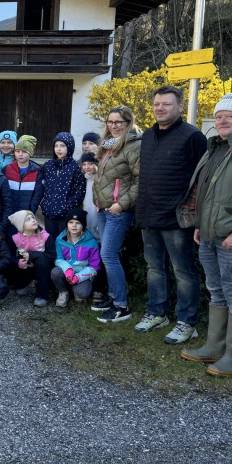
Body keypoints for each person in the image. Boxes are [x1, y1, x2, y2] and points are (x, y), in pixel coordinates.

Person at [135, 86, 207, 344]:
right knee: (154, 267)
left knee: (184, 271)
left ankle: (187, 322)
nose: (160, 108)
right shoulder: (148, 135)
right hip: (149, 216)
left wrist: (194, 214)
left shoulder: (193, 136)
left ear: (179, 106)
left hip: (177, 218)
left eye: (166, 104)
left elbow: (203, 179)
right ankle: (157, 313)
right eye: (156, 104)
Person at [178, 94, 232, 375]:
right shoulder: (214, 148)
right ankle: (214, 347)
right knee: (217, 290)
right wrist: (198, 222)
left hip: (228, 236)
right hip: (209, 233)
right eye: (219, 116)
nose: (223, 120)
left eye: (229, 116)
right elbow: (204, 191)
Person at [91, 105, 141, 323]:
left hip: (118, 211)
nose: (113, 126)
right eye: (110, 122)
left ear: (128, 123)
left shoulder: (133, 146)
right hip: (103, 208)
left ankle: (122, 305)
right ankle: (113, 297)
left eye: (118, 122)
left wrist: (121, 204)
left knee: (108, 255)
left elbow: (140, 181)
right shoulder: (108, 146)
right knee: (109, 254)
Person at [52, 209, 100, 308]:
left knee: (82, 294)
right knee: (55, 272)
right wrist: (68, 269)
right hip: (66, 271)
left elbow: (94, 267)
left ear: (83, 225)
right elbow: (58, 259)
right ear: (67, 224)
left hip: (82, 272)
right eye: (71, 222)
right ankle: (63, 292)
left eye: (78, 223)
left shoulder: (92, 243)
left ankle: (75, 286)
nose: (74, 225)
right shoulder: (60, 239)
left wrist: (78, 277)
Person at [41, 132, 86, 237]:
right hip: (48, 213)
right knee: (50, 243)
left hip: (65, 216)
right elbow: (43, 186)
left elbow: (79, 192)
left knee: (64, 243)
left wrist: (66, 207)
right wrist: (44, 204)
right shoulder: (48, 165)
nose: (58, 149)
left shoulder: (75, 167)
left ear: (69, 147)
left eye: (62, 146)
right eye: (56, 146)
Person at [8, 210, 55, 306]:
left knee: (41, 259)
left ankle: (42, 295)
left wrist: (32, 254)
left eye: (33, 218)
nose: (33, 220)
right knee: (12, 263)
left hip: (43, 269)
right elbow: (9, 257)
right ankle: (23, 284)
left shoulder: (46, 236)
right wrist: (18, 262)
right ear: (21, 225)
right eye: (28, 220)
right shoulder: (14, 238)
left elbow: (53, 256)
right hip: (25, 268)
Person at [5, 135, 44, 214]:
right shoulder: (7, 169)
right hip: (8, 215)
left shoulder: (37, 172)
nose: (20, 154)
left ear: (30, 153)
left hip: (26, 216)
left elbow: (37, 196)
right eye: (17, 151)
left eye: (24, 151)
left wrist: (29, 213)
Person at [80, 153, 100, 240]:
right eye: (84, 164)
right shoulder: (83, 178)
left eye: (90, 164)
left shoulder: (100, 178)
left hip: (97, 209)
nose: (87, 167)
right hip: (86, 208)